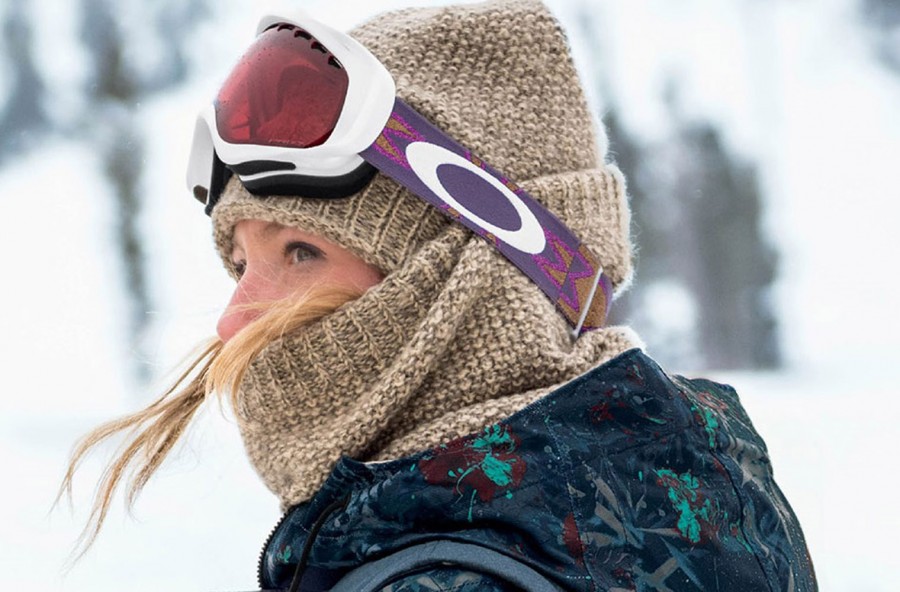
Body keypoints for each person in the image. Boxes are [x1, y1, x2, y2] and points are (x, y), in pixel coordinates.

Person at [62, 1, 818, 590]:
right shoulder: (717, 495)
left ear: (482, 271)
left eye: (302, 251)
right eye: (238, 263)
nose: (235, 321)